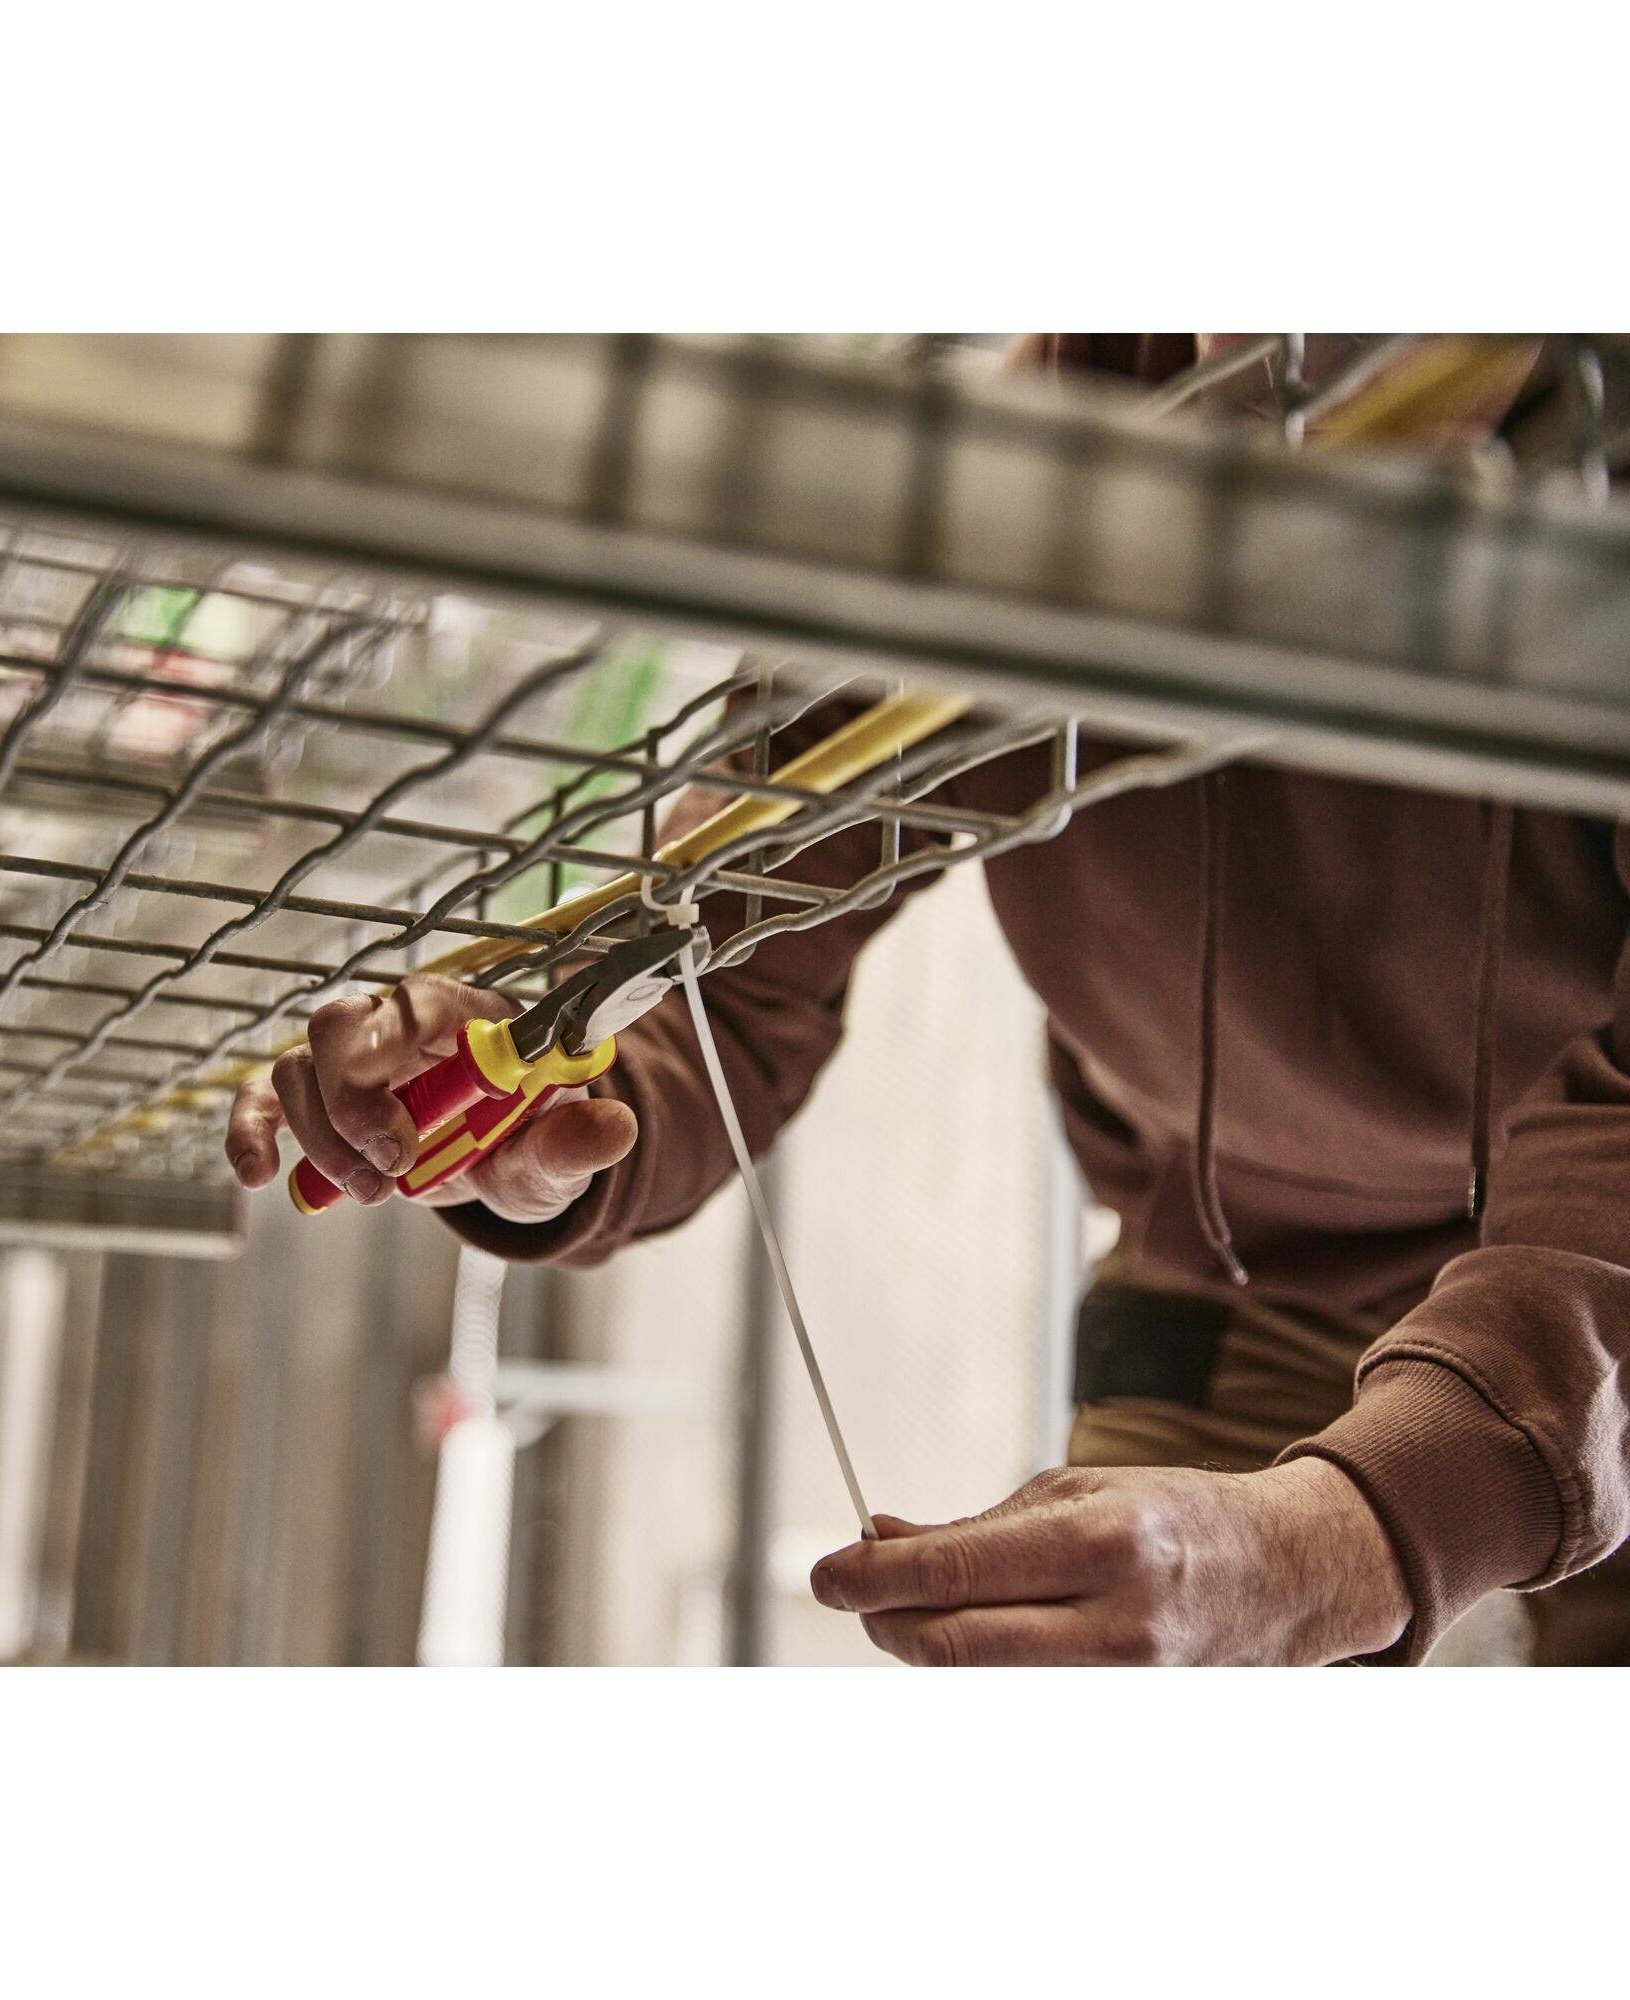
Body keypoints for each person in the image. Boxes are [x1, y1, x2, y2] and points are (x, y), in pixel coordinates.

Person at [226, 336, 1630, 1666]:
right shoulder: (1006, 493)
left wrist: (1356, 1536)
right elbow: (721, 985)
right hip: (1229, 1273)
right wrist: (542, 1115)